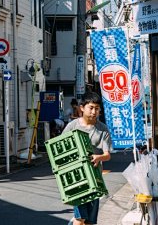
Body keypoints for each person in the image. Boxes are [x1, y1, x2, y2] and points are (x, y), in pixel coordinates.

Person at [62, 92, 112, 225]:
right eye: (91, 107)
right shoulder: (73, 126)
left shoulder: (103, 129)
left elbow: (107, 155)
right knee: (80, 219)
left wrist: (98, 157)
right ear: (82, 107)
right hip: (77, 180)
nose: (94, 111)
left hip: (95, 180)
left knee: (90, 221)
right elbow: (60, 147)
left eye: (97, 108)